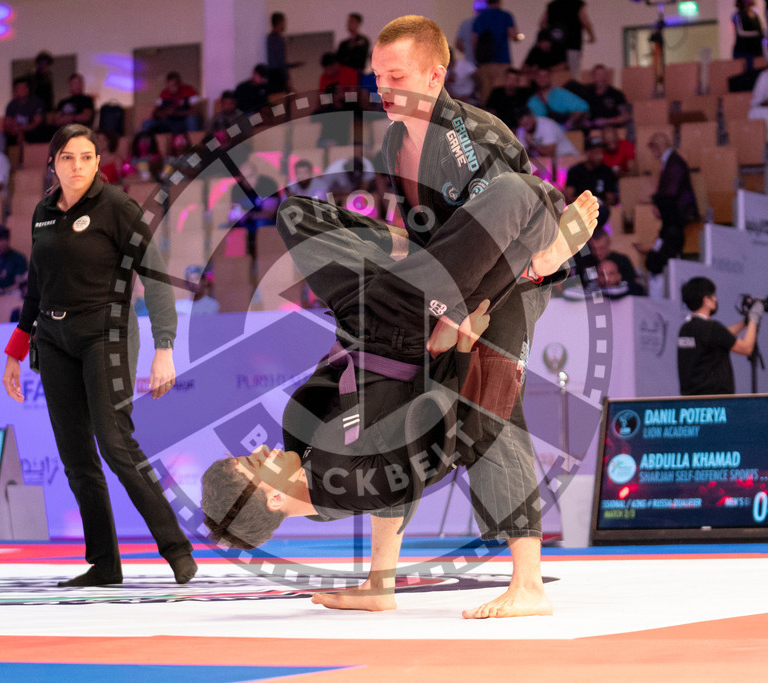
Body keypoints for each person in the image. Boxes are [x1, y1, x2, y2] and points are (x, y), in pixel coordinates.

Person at [202, 15, 599, 620]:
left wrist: (528, 268)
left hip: (510, 277)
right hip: (436, 285)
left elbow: (507, 222)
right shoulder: (392, 142)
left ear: (436, 75)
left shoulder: (470, 135)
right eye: (377, 76)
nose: (383, 87)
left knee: (489, 413)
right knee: (406, 405)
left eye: (396, 75)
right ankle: (380, 581)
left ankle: (529, 585)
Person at [2, 124, 197, 587]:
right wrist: (16, 349)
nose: (78, 166)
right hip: (52, 339)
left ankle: (176, 549)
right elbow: (36, 287)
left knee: (114, 442)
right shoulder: (43, 212)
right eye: (68, 158)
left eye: (87, 157)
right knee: (75, 456)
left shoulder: (118, 207)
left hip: (104, 334)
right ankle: (105, 564)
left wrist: (164, 347)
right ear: (53, 162)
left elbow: (156, 277)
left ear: (97, 161)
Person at [678, 277, 762, 395]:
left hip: (691, 404)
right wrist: (754, 318)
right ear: (706, 300)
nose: (715, 299)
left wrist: (744, 323)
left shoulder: (686, 329)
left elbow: (721, 337)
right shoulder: (711, 328)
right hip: (716, 403)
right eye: (713, 296)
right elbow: (747, 348)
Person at [638, 132, 697, 276]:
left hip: (676, 217)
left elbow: (671, 192)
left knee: (664, 254)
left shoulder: (674, 163)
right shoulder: (671, 161)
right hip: (672, 217)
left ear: (657, 147)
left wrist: (657, 203)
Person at [574, 230, 643, 297]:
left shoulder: (622, 260)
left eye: (601, 248)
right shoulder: (584, 262)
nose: (598, 252)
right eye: (594, 248)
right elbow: (576, 286)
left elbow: (634, 286)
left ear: (608, 243)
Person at [564, 137, 618, 224]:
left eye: (601, 153)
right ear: (588, 153)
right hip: (580, 210)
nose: (600, 156)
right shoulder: (575, 171)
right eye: (596, 153)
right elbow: (569, 197)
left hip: (601, 210)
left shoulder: (607, 172)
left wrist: (599, 202)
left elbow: (610, 198)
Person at [540, 0, 595, 77]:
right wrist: (592, 36)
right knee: (574, 72)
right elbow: (584, 20)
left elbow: (542, 24)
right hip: (573, 43)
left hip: (555, 44)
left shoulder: (552, 5)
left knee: (554, 73)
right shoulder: (577, 4)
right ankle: (573, 87)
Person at [4, 77, 48, 149]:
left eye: (23, 88)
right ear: (15, 90)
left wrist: (21, 130)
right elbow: (7, 124)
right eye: (19, 88)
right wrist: (16, 130)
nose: (21, 90)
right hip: (16, 133)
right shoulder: (11, 105)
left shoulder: (36, 102)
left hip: (33, 132)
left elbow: (36, 123)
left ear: (28, 89)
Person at [472, 0, 519, 65]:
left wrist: (477, 58)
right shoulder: (505, 16)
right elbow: (513, 35)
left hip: (484, 62)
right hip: (502, 60)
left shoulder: (480, 17)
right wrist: (518, 37)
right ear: (499, 2)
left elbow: (475, 40)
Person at [583, 64, 629, 129]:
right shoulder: (586, 94)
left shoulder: (616, 94)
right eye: (599, 75)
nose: (602, 77)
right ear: (593, 77)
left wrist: (607, 121)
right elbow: (580, 115)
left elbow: (625, 116)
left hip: (612, 130)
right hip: (591, 131)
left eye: (605, 75)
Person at [266, 12, 301, 94]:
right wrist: (287, 80)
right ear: (280, 23)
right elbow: (281, 62)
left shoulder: (269, 38)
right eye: (284, 23)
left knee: (276, 102)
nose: (284, 25)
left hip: (271, 74)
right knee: (282, 101)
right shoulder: (279, 39)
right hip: (278, 75)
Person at [732, 0, 765, 71]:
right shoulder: (737, 15)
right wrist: (757, 33)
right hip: (743, 51)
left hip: (756, 50)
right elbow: (740, 33)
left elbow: (760, 30)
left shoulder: (755, 15)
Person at [454, 0, 488, 67]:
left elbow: (458, 44)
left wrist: (468, 51)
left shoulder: (465, 23)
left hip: (470, 62)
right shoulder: (488, 24)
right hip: (486, 63)